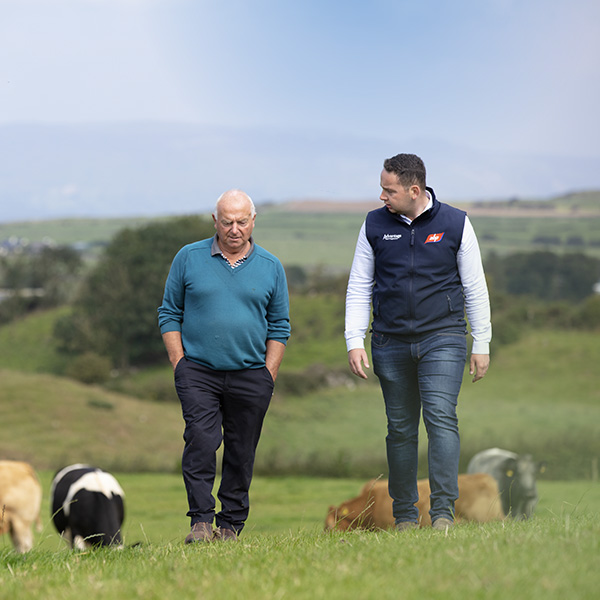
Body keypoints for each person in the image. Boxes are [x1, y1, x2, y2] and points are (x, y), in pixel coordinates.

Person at [345, 154, 491, 531]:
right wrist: (354, 338)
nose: (381, 196)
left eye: (388, 190)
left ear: (414, 189)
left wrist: (482, 342)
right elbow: (360, 284)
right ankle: (406, 516)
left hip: (443, 337)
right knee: (401, 428)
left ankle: (443, 513)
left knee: (441, 418)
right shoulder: (374, 224)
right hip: (389, 341)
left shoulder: (455, 222)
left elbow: (474, 286)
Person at [158, 189, 290, 543]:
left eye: (242, 221)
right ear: (214, 221)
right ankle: (200, 522)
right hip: (198, 371)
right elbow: (169, 313)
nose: (234, 229)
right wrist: (179, 363)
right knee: (201, 440)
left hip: (251, 374)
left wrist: (268, 373)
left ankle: (230, 526)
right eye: (227, 221)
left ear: (253, 221)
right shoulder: (188, 258)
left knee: (241, 449)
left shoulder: (271, 266)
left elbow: (279, 325)